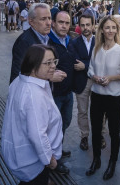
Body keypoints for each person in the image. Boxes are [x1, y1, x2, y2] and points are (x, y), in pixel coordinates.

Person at [2, 44, 62, 184]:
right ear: (33, 66)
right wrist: (49, 160)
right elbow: (37, 135)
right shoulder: (34, 94)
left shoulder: (19, 80)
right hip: (32, 162)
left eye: (54, 61)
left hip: (22, 155)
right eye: (48, 63)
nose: (53, 66)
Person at [86, 15, 120, 180]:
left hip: (114, 98)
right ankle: (96, 159)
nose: (111, 31)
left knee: (113, 131)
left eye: (114, 28)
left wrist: (111, 78)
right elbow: (90, 69)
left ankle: (112, 162)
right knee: (96, 130)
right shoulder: (96, 49)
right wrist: (96, 77)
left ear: (117, 30)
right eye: (107, 27)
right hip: (97, 95)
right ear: (102, 30)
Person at [68, 14, 106, 151]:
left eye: (88, 24)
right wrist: (90, 64)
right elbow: (74, 62)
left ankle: (100, 135)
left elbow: (102, 62)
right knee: (82, 111)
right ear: (79, 26)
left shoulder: (100, 42)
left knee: (99, 111)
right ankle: (84, 136)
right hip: (81, 82)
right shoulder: (73, 43)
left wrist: (84, 65)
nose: (85, 28)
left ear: (93, 25)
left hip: (97, 82)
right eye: (82, 25)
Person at [9, 3, 66, 84]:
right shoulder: (24, 42)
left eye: (49, 18)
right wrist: (49, 77)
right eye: (43, 19)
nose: (48, 23)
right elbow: (20, 75)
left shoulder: (47, 38)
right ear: (31, 21)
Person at [48, 10, 75, 175]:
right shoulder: (48, 42)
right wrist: (51, 76)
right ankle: (53, 161)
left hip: (68, 93)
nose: (64, 26)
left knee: (65, 123)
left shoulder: (69, 41)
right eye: (61, 22)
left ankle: (57, 148)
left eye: (67, 23)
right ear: (53, 23)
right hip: (53, 95)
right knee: (53, 128)